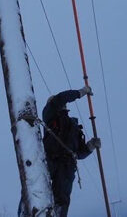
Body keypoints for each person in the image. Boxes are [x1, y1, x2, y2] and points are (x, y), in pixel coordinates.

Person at [42, 86, 101, 217]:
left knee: (62, 201)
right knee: (38, 189)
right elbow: (61, 98)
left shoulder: (74, 126)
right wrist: (80, 93)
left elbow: (79, 152)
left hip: (67, 166)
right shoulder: (50, 115)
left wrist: (90, 146)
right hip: (50, 160)